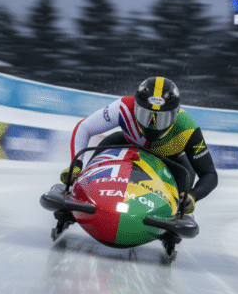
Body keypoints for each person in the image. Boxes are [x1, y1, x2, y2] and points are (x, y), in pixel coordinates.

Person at [60, 76, 218, 214]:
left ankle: (177, 210)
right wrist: (76, 164)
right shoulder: (123, 107)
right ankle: (80, 185)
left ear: (175, 115)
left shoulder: (187, 128)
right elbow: (85, 128)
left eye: (161, 119)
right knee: (112, 140)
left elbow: (209, 173)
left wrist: (193, 195)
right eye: (145, 115)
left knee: (186, 173)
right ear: (135, 107)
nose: (152, 125)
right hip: (127, 148)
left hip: (170, 161)